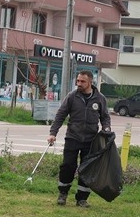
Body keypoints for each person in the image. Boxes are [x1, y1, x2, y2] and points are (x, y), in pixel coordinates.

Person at [47, 70, 112, 206]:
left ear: (90, 82)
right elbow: (60, 115)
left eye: (82, 81)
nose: (79, 83)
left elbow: (105, 117)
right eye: (78, 81)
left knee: (87, 169)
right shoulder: (72, 97)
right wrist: (53, 133)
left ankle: (82, 198)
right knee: (68, 166)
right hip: (73, 137)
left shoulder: (100, 98)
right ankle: (63, 194)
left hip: (91, 140)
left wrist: (106, 129)